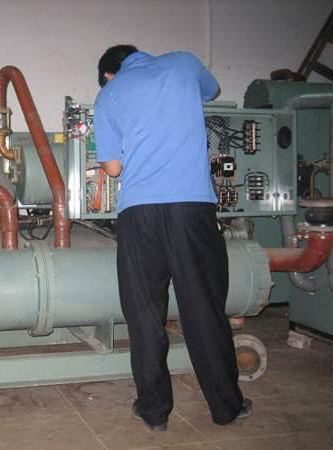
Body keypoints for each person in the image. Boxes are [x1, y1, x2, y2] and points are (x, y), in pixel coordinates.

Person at [93, 45, 251, 431]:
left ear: (109, 74)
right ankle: (226, 407)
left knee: (144, 314)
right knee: (204, 308)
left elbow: (112, 168)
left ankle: (154, 412)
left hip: (139, 213)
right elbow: (210, 91)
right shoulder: (183, 62)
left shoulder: (109, 94)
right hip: (191, 208)